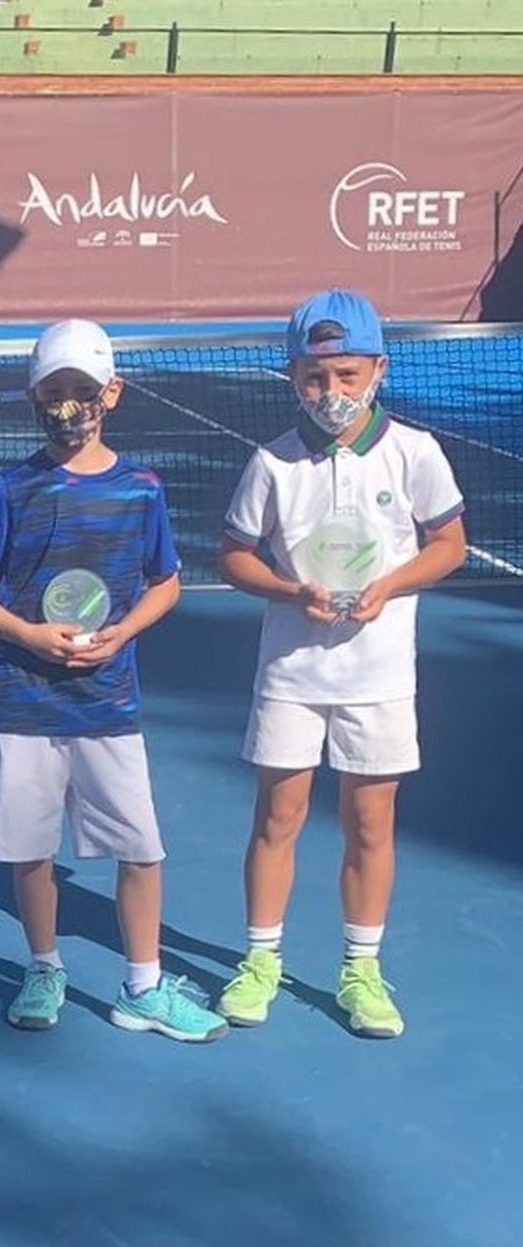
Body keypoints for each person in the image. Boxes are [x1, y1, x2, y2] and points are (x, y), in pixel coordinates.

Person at [0, 319, 226, 1041]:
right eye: (54, 392)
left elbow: (165, 583)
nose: (68, 406)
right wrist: (29, 635)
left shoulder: (141, 489)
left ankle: (142, 984)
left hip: (108, 705)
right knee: (30, 851)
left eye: (82, 391)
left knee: (141, 849)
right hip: (22, 703)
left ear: (112, 392)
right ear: (34, 398)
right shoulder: (12, 489)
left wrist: (124, 631)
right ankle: (43, 966)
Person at [217, 289, 467, 1037]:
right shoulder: (272, 463)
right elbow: (234, 555)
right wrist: (293, 589)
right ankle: (261, 960)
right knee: (279, 817)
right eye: (315, 378)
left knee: (369, 822)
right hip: (292, 673)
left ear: (378, 371)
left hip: (380, 677)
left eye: (347, 375)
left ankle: (361, 969)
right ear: (294, 376)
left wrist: (390, 585)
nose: (332, 392)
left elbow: (448, 544)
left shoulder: (415, 452)